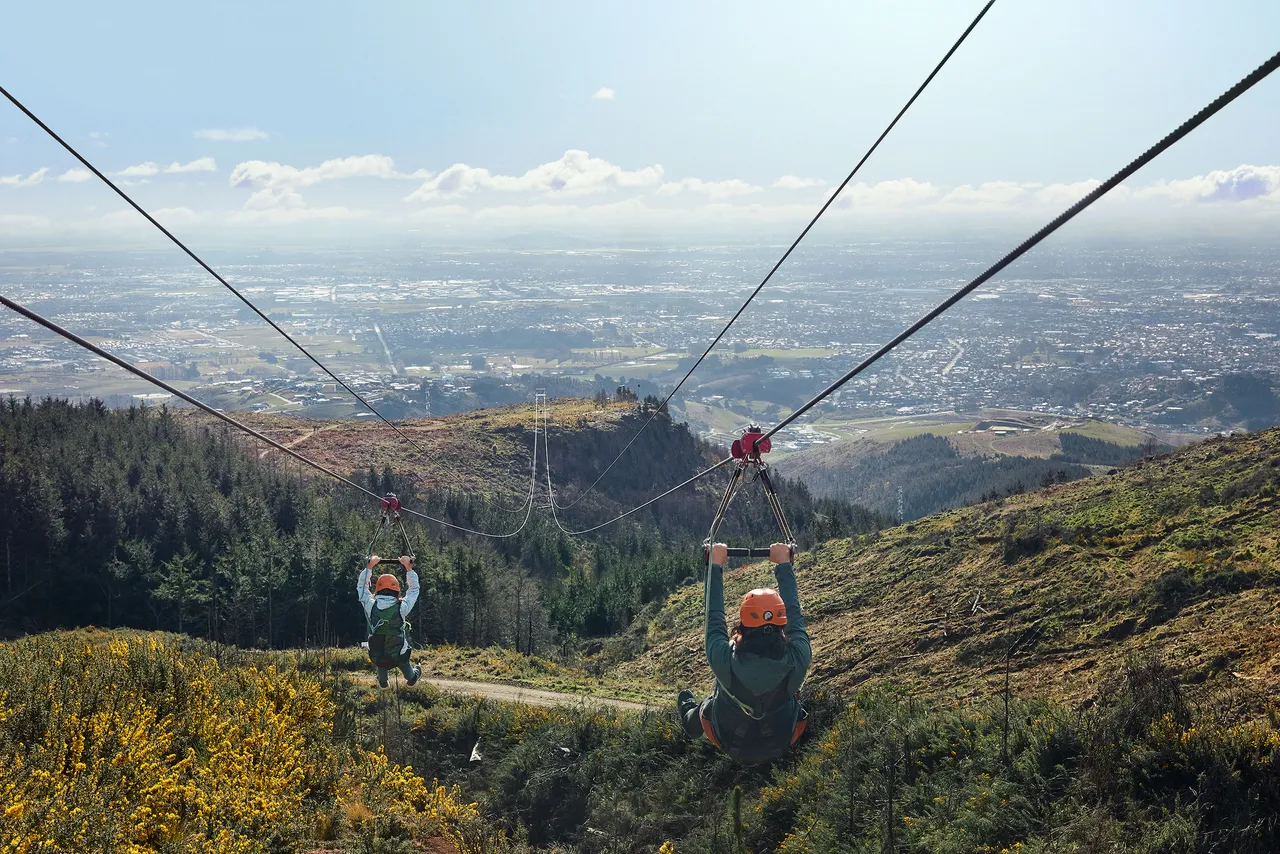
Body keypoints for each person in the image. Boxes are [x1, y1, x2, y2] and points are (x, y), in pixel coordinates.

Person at [678, 541, 810, 762]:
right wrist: (784, 564)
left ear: (743, 624)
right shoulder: (798, 656)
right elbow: (795, 615)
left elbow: (714, 617)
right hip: (781, 740)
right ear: (782, 623)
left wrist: (715, 565)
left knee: (710, 702)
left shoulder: (724, 657)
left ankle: (690, 716)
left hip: (729, 741)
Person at [357, 554, 422, 689]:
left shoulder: (370, 606)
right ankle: (411, 678)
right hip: (398, 652)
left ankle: (383, 681)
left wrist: (369, 567)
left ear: (378, 589)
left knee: (380, 652)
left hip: (378, 654)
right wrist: (409, 569)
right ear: (396, 590)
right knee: (403, 658)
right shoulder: (402, 607)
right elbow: (414, 590)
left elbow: (362, 588)